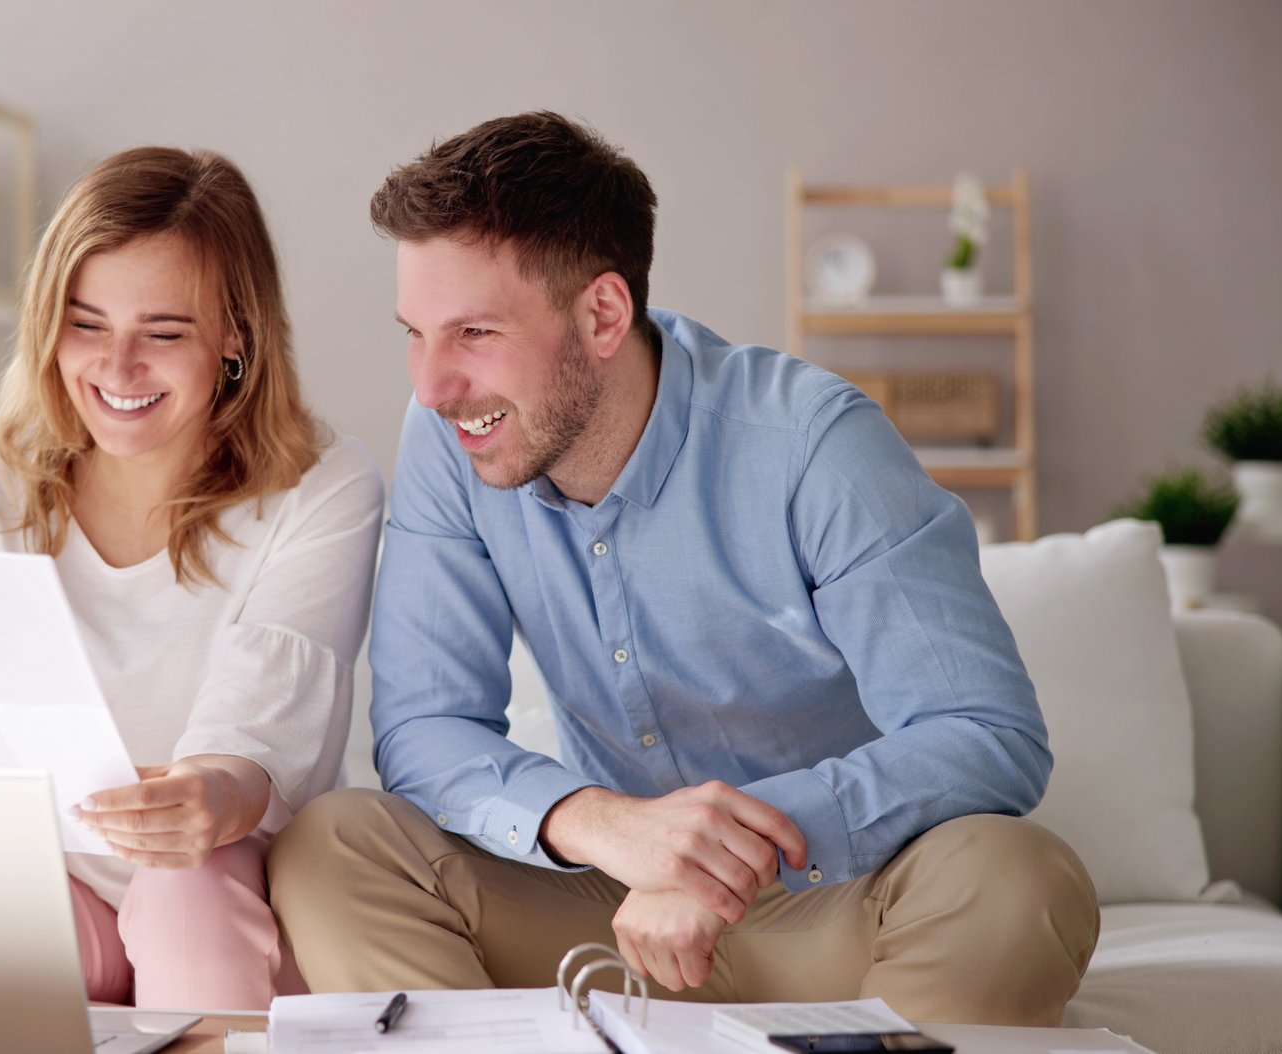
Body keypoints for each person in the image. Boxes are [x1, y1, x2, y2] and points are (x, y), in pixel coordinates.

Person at [268, 112, 1098, 1026]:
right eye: (415, 334)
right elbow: (427, 727)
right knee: (329, 845)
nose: (431, 385)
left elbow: (986, 731)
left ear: (603, 314)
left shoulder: (814, 446)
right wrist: (603, 825)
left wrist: (722, 853)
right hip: (606, 916)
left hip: (840, 906)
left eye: (472, 333)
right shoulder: (452, 439)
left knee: (1021, 879)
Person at [0, 146, 383, 1011]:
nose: (117, 367)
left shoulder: (322, 485)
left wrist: (208, 794)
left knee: (186, 886)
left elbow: (255, 732)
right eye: (86, 323)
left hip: (233, 895)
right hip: (54, 889)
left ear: (235, 336)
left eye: (164, 334)